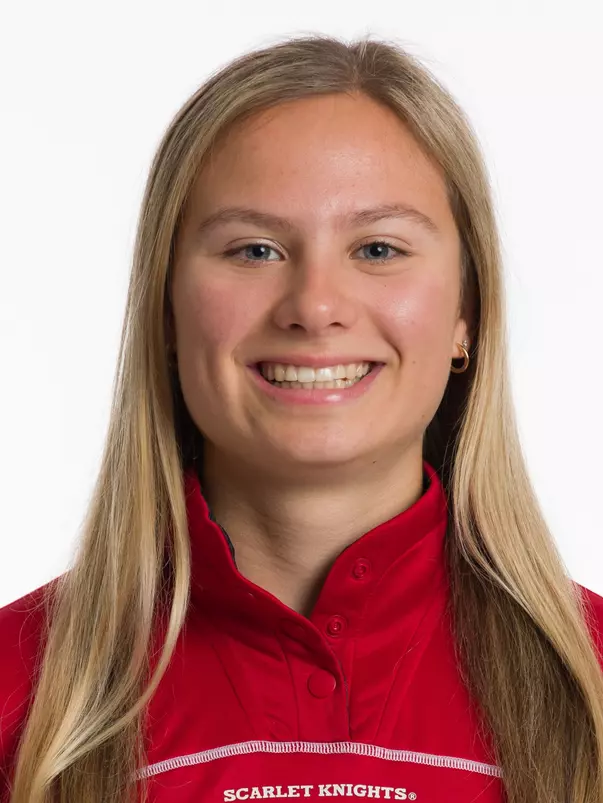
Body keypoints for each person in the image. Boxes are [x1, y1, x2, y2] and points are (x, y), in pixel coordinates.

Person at [1, 33, 602, 803]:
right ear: (165, 311)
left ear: (466, 313)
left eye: (378, 248)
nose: (315, 307)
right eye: (253, 250)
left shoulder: (592, 688)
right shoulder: (16, 691)